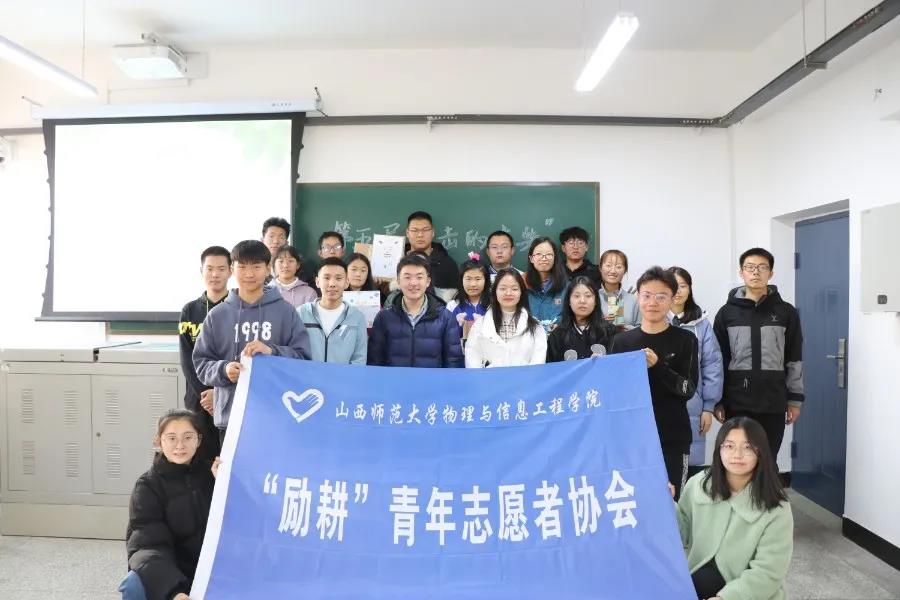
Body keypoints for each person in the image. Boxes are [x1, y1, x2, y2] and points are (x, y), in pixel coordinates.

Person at [193, 240, 311, 443]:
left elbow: (303, 358)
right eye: (242, 267)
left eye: (256, 267)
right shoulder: (217, 315)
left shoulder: (286, 312)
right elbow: (201, 363)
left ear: (268, 269)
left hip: (276, 415)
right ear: (232, 269)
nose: (249, 274)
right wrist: (224, 370)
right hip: (231, 417)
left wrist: (272, 351)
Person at [675, 417, 793, 600]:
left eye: (747, 447)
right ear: (719, 449)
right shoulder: (699, 484)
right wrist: (664, 502)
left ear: (760, 452)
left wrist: (725, 598)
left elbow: (767, 572)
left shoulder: (776, 506)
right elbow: (680, 533)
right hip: (699, 578)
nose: (737, 454)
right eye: (729, 446)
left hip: (748, 592)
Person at [609, 266, 699, 498]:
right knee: (633, 502)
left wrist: (659, 366)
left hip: (672, 436)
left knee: (671, 502)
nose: (653, 303)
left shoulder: (686, 339)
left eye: (661, 296)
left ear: (672, 298)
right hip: (631, 438)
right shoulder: (621, 342)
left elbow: (688, 389)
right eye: (647, 295)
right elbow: (613, 393)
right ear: (638, 297)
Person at [713, 248, 803, 460]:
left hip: (773, 400)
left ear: (771, 273)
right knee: (738, 459)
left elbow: (794, 357)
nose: (756, 272)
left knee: (767, 460)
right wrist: (718, 401)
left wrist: (795, 400)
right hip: (736, 400)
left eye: (762, 267)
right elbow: (718, 361)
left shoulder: (786, 312)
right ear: (741, 272)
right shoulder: (726, 313)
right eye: (750, 267)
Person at [120, 409, 216, 600]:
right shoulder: (148, 485)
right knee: (133, 583)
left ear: (198, 440)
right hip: (172, 572)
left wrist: (225, 482)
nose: (180, 445)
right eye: (171, 438)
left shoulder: (214, 474)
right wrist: (174, 591)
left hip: (215, 570)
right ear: (159, 441)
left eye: (188, 437)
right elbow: (146, 546)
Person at [177, 246, 231, 469]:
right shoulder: (190, 311)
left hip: (228, 396)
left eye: (221, 269)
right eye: (209, 269)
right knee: (198, 459)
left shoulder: (238, 309)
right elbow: (187, 358)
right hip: (198, 400)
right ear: (201, 271)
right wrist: (205, 393)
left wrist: (218, 393)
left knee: (227, 458)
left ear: (230, 271)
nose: (215, 274)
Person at [668, 266, 724, 475]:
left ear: (690, 289)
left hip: (694, 404)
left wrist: (708, 407)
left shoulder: (701, 324)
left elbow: (712, 365)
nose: (678, 291)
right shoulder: (653, 321)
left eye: (683, 286)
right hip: (660, 403)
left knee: (690, 464)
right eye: (673, 286)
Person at [367, 254, 463, 368]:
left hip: (432, 380)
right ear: (398, 281)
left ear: (428, 281)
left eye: (419, 277)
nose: (413, 283)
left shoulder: (445, 318)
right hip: (394, 379)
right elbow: (375, 361)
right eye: (407, 277)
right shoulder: (384, 318)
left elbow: (453, 362)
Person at [465, 268, 547, 368]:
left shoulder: (535, 326)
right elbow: (472, 361)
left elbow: (538, 363)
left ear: (521, 292)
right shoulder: (479, 326)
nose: (508, 293)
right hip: (490, 378)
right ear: (495, 291)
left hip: (524, 378)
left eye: (514, 289)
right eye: (503, 288)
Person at [297, 257, 367, 364]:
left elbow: (359, 358)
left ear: (347, 282)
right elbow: (295, 352)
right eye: (326, 278)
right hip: (308, 374)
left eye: (338, 278)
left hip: (343, 375)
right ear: (317, 282)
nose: (332, 284)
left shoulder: (357, 317)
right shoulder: (301, 313)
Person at [546, 276, 617, 362]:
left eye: (588, 296)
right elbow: (551, 368)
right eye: (577, 296)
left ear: (596, 301)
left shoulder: (610, 331)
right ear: (569, 301)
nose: (582, 301)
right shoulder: (557, 336)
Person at [405, 210, 459, 290]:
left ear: (433, 232)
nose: (420, 235)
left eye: (425, 230)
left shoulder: (447, 264)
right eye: (415, 230)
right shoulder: (395, 259)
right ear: (407, 233)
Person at [525, 236, 568, 332]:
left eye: (549, 254)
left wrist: (560, 325)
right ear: (531, 258)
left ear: (554, 258)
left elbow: (570, 315)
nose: (544, 258)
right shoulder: (521, 284)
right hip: (530, 336)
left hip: (557, 337)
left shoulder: (567, 286)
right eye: (539, 254)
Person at [446, 254, 491, 340]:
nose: (473, 284)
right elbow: (447, 336)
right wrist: (457, 325)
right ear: (461, 280)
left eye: (478, 279)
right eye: (468, 279)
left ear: (486, 280)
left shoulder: (493, 304)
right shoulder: (452, 305)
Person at [597, 249, 640, 329]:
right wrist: (601, 324)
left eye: (618, 267)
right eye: (608, 265)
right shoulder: (592, 298)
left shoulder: (633, 300)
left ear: (625, 270)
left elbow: (641, 330)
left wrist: (624, 327)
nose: (613, 271)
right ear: (600, 268)